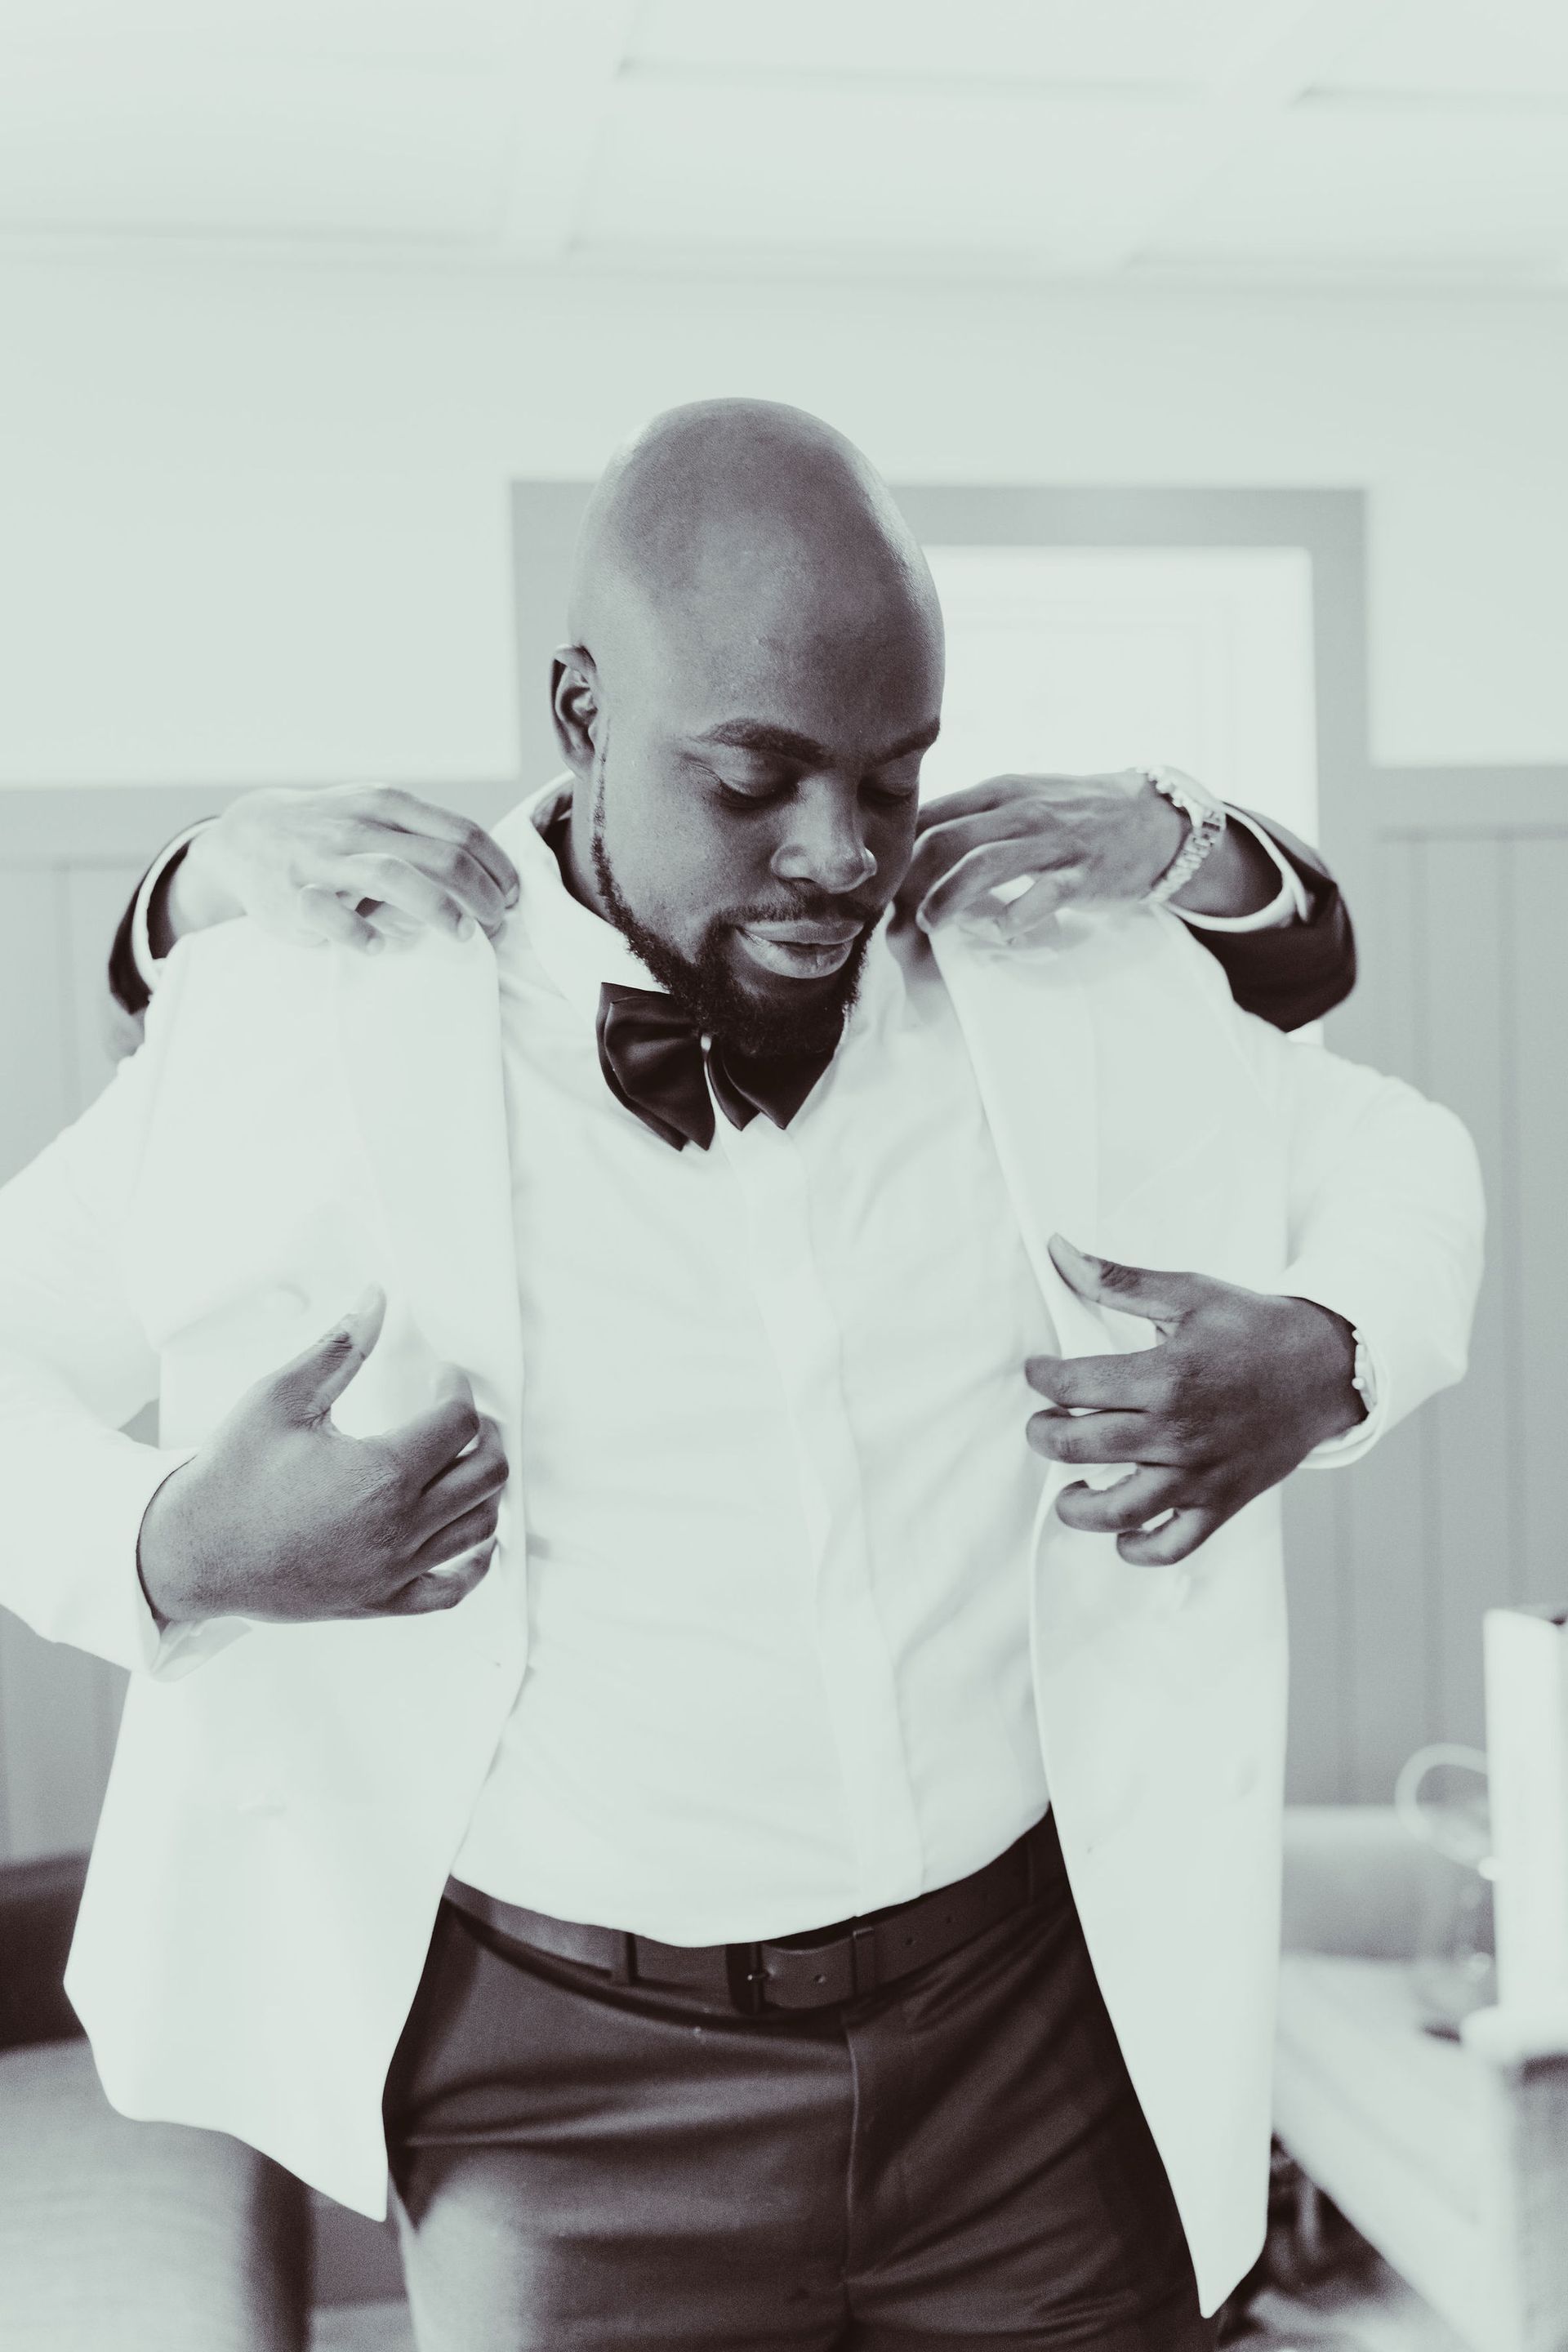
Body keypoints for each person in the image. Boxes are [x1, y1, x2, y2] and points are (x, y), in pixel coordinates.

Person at [0, 400, 1481, 2351]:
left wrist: (1330, 1355)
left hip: (1031, 2055)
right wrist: (175, 1548)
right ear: (582, 711)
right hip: (555, 2105)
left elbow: (1397, 1155)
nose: (839, 855)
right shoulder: (315, 1014)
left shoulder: (1048, 973)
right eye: (755, 779)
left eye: (892, 776)